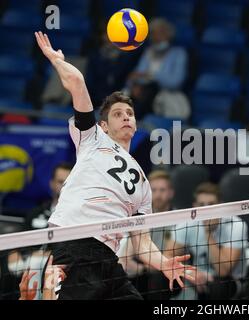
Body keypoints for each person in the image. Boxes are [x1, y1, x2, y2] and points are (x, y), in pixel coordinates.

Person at [34, 31, 195, 299]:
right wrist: (56, 60)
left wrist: (163, 262)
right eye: (118, 114)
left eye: (130, 114)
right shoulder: (92, 140)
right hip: (76, 242)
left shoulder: (143, 182)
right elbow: (76, 82)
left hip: (109, 258)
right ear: (104, 126)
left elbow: (141, 242)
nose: (126, 118)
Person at [169, 182, 248, 300]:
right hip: (196, 277)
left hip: (229, 281)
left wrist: (208, 233)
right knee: (161, 278)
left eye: (211, 204)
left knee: (219, 287)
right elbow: (168, 255)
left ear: (220, 205)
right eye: (201, 205)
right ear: (194, 206)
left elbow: (223, 271)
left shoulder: (236, 225)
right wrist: (187, 271)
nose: (206, 210)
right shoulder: (187, 223)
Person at [119, 169, 176, 299]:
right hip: (144, 273)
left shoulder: (178, 220)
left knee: (156, 279)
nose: (157, 195)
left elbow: (168, 259)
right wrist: (142, 269)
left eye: (162, 190)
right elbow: (126, 258)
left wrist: (141, 268)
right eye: (153, 190)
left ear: (171, 193)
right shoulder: (141, 218)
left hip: (166, 275)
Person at [125, 18, 188, 119]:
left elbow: (175, 82)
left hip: (165, 95)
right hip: (144, 93)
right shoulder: (148, 52)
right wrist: (136, 84)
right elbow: (136, 75)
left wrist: (151, 75)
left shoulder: (178, 54)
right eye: (153, 33)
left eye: (159, 33)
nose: (154, 37)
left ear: (168, 34)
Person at [25, 162, 73, 230]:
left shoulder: (80, 217)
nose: (64, 186)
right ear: (52, 183)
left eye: (67, 183)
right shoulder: (34, 213)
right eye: (60, 182)